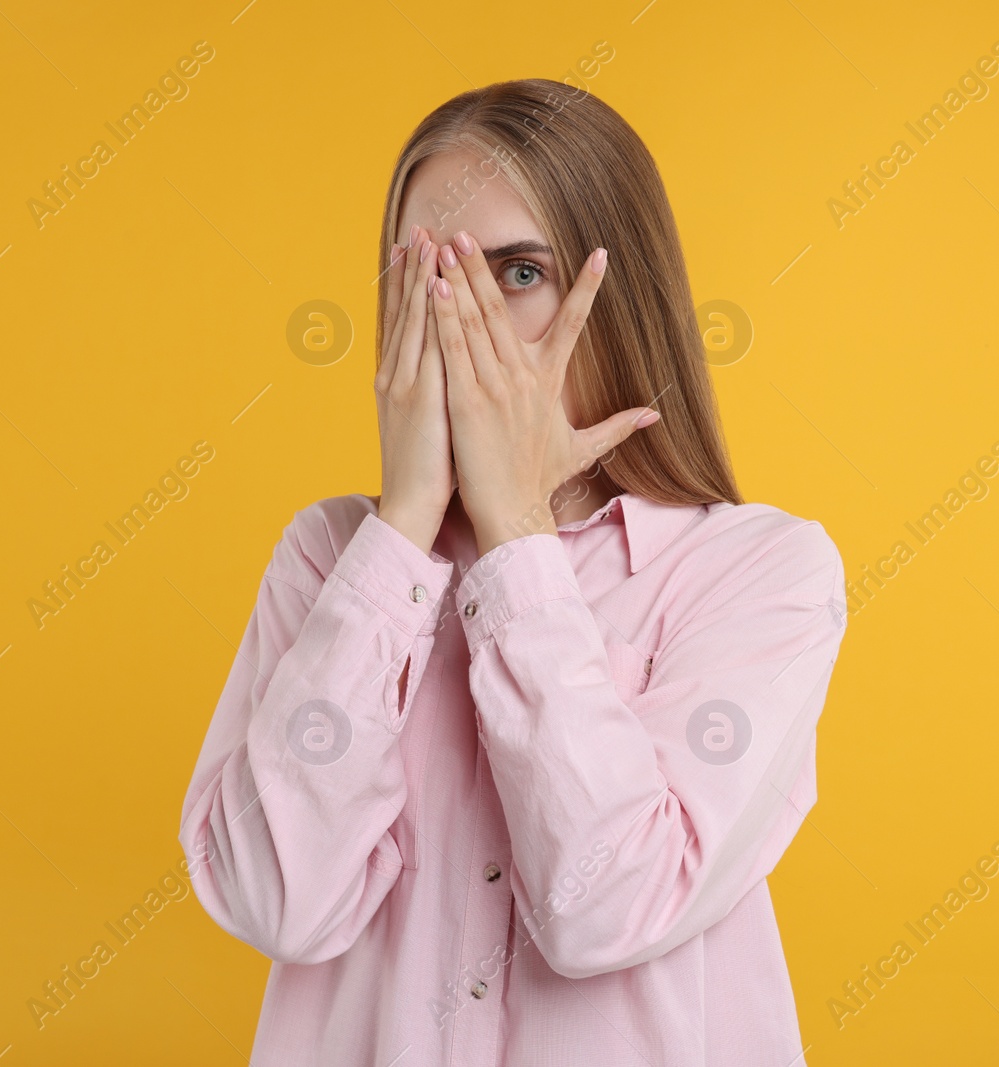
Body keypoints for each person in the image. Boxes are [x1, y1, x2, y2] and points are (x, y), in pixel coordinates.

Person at [180, 77, 848, 1065]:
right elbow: (278, 900)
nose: (466, 321)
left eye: (520, 271)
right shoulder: (329, 557)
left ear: (616, 299)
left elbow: (608, 908)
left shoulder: (761, 570)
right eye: (430, 275)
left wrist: (515, 537)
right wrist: (403, 525)